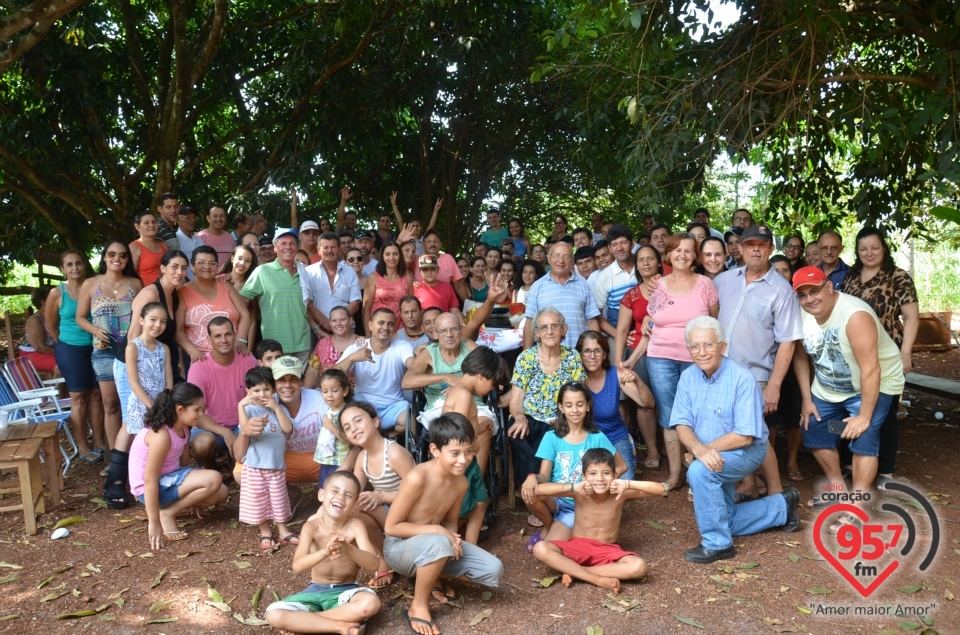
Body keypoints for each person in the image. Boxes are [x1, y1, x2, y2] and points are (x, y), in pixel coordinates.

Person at [671, 316, 800, 564]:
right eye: (695, 346)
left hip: (747, 451)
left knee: (699, 472)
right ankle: (783, 507)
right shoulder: (687, 378)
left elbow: (744, 435)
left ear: (723, 346)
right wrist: (698, 448)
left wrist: (701, 452)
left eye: (708, 345)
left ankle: (718, 544)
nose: (702, 352)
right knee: (724, 518)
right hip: (712, 451)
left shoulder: (742, 378)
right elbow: (682, 423)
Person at [791, 266, 904, 526]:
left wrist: (864, 416)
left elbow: (871, 369)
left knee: (863, 436)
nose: (810, 299)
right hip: (827, 386)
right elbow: (800, 355)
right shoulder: (801, 315)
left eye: (815, 291)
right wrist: (807, 399)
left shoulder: (855, 315)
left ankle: (858, 505)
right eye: (803, 295)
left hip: (876, 381)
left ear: (829, 287)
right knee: (816, 429)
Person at [383, 413, 504, 635]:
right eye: (455, 453)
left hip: (434, 546)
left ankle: (427, 574)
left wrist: (452, 537)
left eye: (469, 452)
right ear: (435, 450)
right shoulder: (418, 477)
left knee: (493, 570)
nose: (463, 459)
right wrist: (440, 532)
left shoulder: (461, 483)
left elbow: (450, 521)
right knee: (439, 542)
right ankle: (417, 606)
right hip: (399, 548)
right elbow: (391, 527)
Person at [714, 225, 802, 500]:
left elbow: (788, 341)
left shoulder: (782, 290)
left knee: (756, 436)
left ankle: (776, 492)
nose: (755, 249)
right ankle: (749, 485)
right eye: (750, 244)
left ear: (770, 249)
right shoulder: (724, 280)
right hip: (720, 370)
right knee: (736, 432)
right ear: (740, 247)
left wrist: (774, 386)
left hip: (754, 374)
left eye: (761, 245)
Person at [841, 227, 919, 487]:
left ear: (883, 248)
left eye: (874, 247)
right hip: (853, 355)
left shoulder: (898, 277)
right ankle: (853, 462)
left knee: (883, 411)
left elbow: (911, 317)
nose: (869, 253)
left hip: (886, 355)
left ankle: (885, 469)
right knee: (854, 406)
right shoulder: (851, 277)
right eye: (863, 249)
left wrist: (905, 352)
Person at [263, 470, 381, 635]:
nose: (340, 497)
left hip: (345, 592)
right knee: (273, 614)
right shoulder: (311, 526)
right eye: (335, 491)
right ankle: (340, 627)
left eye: (348, 495)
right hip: (315, 591)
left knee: (370, 603)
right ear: (321, 495)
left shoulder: (356, 526)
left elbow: (374, 563)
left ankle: (308, 623)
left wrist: (349, 549)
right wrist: (325, 552)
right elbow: (298, 566)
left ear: (354, 505)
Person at [645, 232, 719, 491]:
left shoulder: (704, 285)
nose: (682, 255)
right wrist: (645, 321)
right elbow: (652, 318)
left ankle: (696, 475)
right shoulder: (658, 285)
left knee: (697, 416)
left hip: (696, 359)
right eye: (678, 250)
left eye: (688, 251)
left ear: (694, 256)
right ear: (669, 253)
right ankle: (675, 475)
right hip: (660, 357)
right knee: (668, 416)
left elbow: (713, 322)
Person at [533, 448, 662, 592]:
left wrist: (627, 484)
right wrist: (574, 486)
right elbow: (539, 490)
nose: (599, 479)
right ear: (584, 476)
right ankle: (596, 579)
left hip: (606, 549)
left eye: (606, 473)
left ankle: (577, 572)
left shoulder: (620, 493)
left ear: (614, 475)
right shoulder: (579, 492)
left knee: (638, 567)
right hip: (578, 546)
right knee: (540, 548)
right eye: (592, 473)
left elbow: (661, 489)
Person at [521, 382, 626, 551]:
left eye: (580, 404)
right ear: (561, 407)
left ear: (588, 406)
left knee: (548, 549)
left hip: (582, 502)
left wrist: (602, 486)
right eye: (569, 405)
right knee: (531, 491)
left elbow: (621, 466)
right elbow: (544, 477)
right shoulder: (551, 437)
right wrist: (532, 478)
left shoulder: (597, 437)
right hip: (557, 498)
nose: (575, 410)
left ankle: (561, 527)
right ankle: (549, 525)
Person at [75, 239, 144, 498]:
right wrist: (95, 329)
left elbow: (143, 315)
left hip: (131, 351)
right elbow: (80, 316)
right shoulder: (91, 284)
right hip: (103, 351)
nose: (118, 258)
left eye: (123, 255)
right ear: (104, 257)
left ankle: (135, 457)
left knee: (134, 403)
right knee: (111, 404)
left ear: (128, 259)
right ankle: (116, 460)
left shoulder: (135, 285)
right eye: (112, 254)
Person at [129, 383, 229, 549]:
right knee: (214, 478)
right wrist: (153, 523)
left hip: (168, 481)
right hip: (149, 490)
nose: (201, 414)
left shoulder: (183, 429)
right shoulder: (161, 435)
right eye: (196, 410)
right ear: (180, 410)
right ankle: (166, 514)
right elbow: (149, 480)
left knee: (221, 493)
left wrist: (194, 494)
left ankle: (169, 510)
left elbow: (184, 466)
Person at [509, 308, 586, 512]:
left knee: (554, 436)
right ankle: (533, 492)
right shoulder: (526, 358)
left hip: (562, 418)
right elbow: (516, 400)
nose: (549, 331)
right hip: (530, 417)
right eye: (544, 327)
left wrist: (565, 417)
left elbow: (580, 397)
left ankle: (544, 497)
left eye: (555, 326)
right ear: (536, 333)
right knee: (519, 433)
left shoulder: (572, 358)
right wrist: (519, 417)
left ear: (564, 330)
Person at [340, 400, 415, 589]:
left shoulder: (394, 453)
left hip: (408, 512)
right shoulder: (361, 457)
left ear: (375, 422)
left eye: (358, 421)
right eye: (348, 427)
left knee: (360, 505)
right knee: (352, 508)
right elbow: (353, 491)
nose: (354, 428)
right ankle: (383, 558)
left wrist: (381, 497)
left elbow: (417, 495)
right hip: (386, 511)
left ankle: (385, 558)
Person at [440, 347, 509, 544]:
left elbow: (465, 425)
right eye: (492, 383)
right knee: (462, 509)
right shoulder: (463, 395)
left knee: (480, 503)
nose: (491, 390)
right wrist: (475, 444)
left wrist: (479, 426)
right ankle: (452, 545)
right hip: (461, 464)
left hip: (468, 461)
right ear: (481, 376)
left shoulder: (462, 393)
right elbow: (459, 435)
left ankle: (471, 547)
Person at [47, 250, 105, 462]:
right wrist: (64, 344)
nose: (75, 268)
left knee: (97, 395)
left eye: (78, 263)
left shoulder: (95, 286)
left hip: (97, 346)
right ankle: (82, 446)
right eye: (69, 264)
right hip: (71, 348)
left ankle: (99, 442)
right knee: (79, 398)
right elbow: (51, 326)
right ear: (63, 268)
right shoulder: (57, 293)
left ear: (84, 265)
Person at [236, 356, 329, 485]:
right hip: (280, 460)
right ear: (273, 384)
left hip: (316, 458)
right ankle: (289, 494)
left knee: (344, 465)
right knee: (241, 473)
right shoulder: (257, 405)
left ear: (302, 382)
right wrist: (244, 432)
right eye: (281, 380)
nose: (287, 385)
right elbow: (239, 456)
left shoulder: (319, 400)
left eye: (294, 379)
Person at [577, 331, 654, 480]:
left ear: (605, 354)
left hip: (615, 437)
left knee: (624, 483)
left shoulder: (615, 374)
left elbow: (648, 403)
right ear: (580, 354)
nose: (592, 356)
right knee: (586, 482)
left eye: (597, 351)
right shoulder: (576, 378)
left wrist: (636, 379)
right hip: (586, 439)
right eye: (586, 351)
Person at [237, 366, 297, 550]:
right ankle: (265, 531)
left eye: (266, 389)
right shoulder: (248, 410)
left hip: (276, 465)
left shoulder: (278, 408)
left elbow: (288, 429)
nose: (262, 394)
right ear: (248, 392)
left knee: (279, 499)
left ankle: (283, 530)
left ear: (273, 389)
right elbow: (244, 429)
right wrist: (241, 405)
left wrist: (276, 407)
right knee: (258, 499)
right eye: (256, 390)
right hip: (255, 465)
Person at [615, 245, 663, 469]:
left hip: (665, 351)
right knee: (644, 404)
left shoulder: (670, 287)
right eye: (641, 260)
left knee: (668, 402)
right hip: (637, 353)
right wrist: (619, 363)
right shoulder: (631, 295)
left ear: (659, 262)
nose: (645, 263)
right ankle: (652, 449)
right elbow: (622, 331)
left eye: (650, 259)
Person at [187, 317, 257, 469]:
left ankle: (236, 460)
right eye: (217, 336)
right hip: (211, 428)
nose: (224, 340)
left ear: (235, 335)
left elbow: (260, 396)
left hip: (243, 424)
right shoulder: (199, 367)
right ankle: (211, 470)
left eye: (228, 334)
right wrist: (225, 432)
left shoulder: (248, 360)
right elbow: (193, 413)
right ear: (209, 339)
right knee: (202, 444)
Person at [336, 308, 414, 434]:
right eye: (381, 323)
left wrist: (419, 360)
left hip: (393, 405)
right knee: (350, 418)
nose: (386, 327)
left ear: (395, 328)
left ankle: (386, 437)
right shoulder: (357, 347)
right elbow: (332, 375)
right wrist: (352, 358)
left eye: (390, 324)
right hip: (363, 403)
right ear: (370, 325)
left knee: (410, 421)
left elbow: (412, 364)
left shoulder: (402, 346)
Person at [240, 228, 311, 364]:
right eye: (283, 243)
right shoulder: (262, 271)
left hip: (302, 343)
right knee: (276, 384)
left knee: (298, 384)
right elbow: (242, 301)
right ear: (275, 248)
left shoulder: (303, 272)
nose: (288, 247)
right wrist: (241, 337)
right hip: (274, 348)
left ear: (297, 247)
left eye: (292, 243)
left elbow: (307, 306)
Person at [177, 246, 252, 361]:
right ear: (192, 266)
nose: (207, 267)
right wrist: (192, 351)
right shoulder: (181, 292)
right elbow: (178, 330)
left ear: (217, 266)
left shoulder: (225, 285)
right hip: (199, 358)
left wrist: (241, 340)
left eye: (212, 263)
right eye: (201, 262)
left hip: (232, 354)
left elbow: (244, 314)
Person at [523, 242, 601, 349]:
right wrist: (525, 356)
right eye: (556, 256)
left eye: (566, 256)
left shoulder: (583, 285)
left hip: (579, 354)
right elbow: (529, 324)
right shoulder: (536, 287)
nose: (561, 260)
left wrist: (595, 349)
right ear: (549, 258)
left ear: (572, 261)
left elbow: (592, 321)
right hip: (547, 357)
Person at [124, 302, 174, 435]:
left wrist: (164, 404)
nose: (158, 325)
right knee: (143, 448)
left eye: (163, 321)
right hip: (141, 407)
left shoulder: (164, 348)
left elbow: (169, 380)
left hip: (162, 406)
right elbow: (134, 383)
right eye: (153, 319)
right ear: (141, 320)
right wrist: (153, 406)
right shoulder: (133, 348)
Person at [303, 231, 361, 338]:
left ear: (339, 249)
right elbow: (308, 304)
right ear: (318, 250)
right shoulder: (308, 272)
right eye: (325, 247)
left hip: (346, 329)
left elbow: (355, 303)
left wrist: (336, 321)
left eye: (333, 247)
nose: (329, 251)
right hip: (318, 330)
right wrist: (325, 322)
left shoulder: (350, 271)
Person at [593, 225, 637, 343]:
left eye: (623, 242)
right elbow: (596, 314)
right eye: (614, 244)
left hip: (646, 331)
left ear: (632, 244)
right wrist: (618, 334)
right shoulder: (604, 276)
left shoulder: (644, 267)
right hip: (616, 333)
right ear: (610, 248)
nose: (619, 248)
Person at [313, 369, 358, 485]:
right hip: (327, 460)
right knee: (324, 488)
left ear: (345, 391)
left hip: (339, 461)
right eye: (325, 391)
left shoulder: (346, 413)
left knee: (337, 489)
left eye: (334, 390)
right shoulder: (331, 410)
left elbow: (351, 439)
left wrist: (330, 427)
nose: (329, 395)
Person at [304, 306, 363, 389]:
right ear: (330, 323)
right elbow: (312, 372)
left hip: (356, 397)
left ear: (350, 321)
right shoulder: (323, 344)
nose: (338, 324)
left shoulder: (362, 342)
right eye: (334, 321)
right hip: (328, 396)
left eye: (342, 320)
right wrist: (305, 392)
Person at [362, 241, 413, 328]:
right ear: (382, 256)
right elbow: (366, 309)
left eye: (395, 254)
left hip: (402, 331)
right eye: (388, 254)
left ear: (400, 256)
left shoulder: (407, 278)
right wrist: (368, 335)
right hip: (378, 329)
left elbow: (411, 306)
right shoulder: (373, 277)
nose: (391, 257)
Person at [19, 286, 58, 379]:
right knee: (63, 366)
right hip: (32, 354)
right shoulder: (35, 320)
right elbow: (41, 348)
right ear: (43, 302)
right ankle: (57, 393)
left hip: (53, 352)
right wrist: (64, 353)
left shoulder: (57, 317)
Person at [129, 211, 168, 286]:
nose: (151, 225)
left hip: (166, 291)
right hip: (145, 293)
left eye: (154, 222)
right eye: (146, 223)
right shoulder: (134, 247)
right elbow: (131, 276)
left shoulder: (163, 245)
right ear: (137, 227)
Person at [176, 204, 204, 279]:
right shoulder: (175, 240)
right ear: (178, 220)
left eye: (194, 217)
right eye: (188, 218)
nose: (192, 220)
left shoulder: (198, 240)